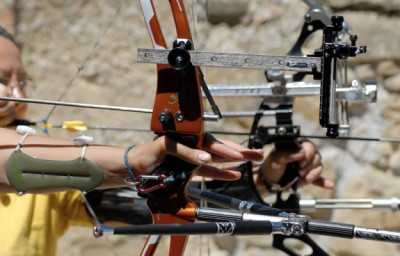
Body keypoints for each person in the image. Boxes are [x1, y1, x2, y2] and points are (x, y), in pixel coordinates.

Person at [0, 26, 333, 256]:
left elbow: (152, 200)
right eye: (2, 82)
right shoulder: (25, 160)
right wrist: (136, 158)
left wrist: (263, 178)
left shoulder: (51, 182)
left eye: (22, 83)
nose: (17, 97)